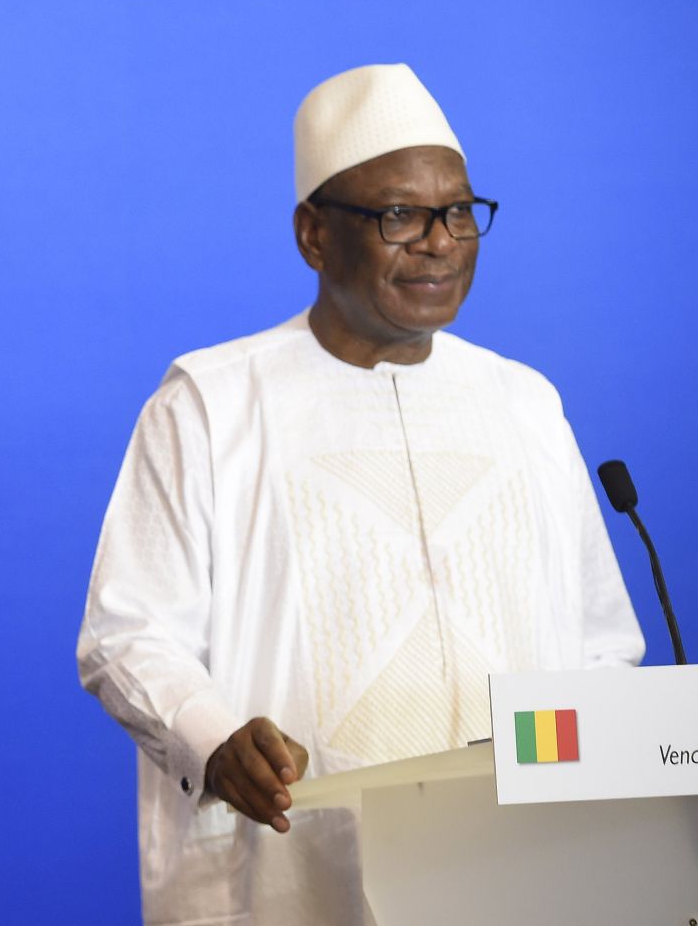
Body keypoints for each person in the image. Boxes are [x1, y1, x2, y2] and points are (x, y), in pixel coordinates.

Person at [76, 63, 644, 924]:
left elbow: (602, 646)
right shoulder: (213, 402)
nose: (440, 241)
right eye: (399, 215)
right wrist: (216, 741)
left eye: (458, 211)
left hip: (523, 867)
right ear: (313, 235)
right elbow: (128, 631)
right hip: (299, 873)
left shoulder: (523, 400)